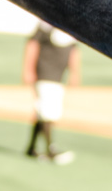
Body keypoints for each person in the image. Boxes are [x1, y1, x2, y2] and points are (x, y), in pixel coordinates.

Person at [24, 22, 81, 163]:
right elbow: (32, 45)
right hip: (44, 73)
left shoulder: (71, 27)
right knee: (47, 111)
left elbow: (73, 50)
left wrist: (75, 73)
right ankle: (50, 150)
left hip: (58, 75)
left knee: (43, 112)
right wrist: (28, 70)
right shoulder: (45, 26)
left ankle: (31, 148)